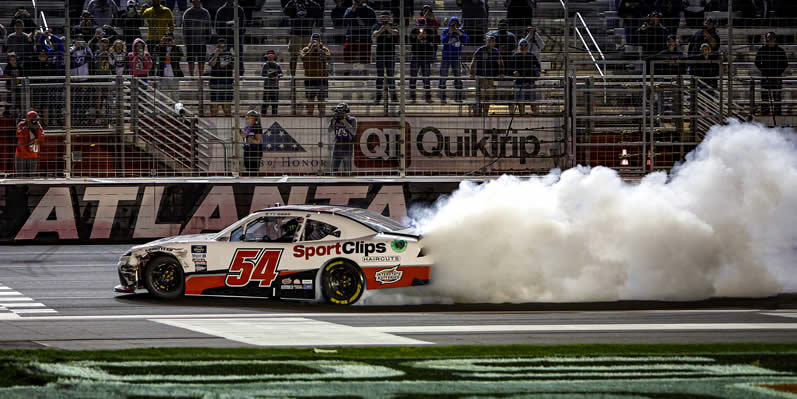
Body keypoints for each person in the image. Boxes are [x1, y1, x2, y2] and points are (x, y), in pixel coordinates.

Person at [343, 0, 377, 100]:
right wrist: (352, 10)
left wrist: (363, 24)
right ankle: (347, 72)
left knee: (365, 58)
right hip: (351, 37)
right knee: (347, 54)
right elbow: (344, 21)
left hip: (364, 38)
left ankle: (365, 74)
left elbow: (373, 24)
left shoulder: (369, 10)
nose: (357, 2)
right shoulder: (349, 9)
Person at [284, 0, 323, 76]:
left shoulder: (311, 3)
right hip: (295, 34)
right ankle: (293, 77)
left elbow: (319, 10)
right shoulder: (292, 2)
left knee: (307, 57)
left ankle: (308, 76)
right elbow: (286, 11)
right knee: (294, 56)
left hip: (307, 33)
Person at [755, 32, 788, 116]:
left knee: (777, 97)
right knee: (765, 97)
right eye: (769, 38)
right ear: (766, 39)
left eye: (772, 38)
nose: (770, 39)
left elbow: (785, 63)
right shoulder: (762, 50)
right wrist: (764, 70)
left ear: (775, 39)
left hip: (777, 77)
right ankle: (765, 113)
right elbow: (757, 62)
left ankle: (777, 113)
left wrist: (778, 71)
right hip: (765, 77)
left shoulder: (780, 50)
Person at [470, 34, 504, 115]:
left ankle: (485, 112)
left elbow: (501, 63)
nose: (490, 43)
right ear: (486, 41)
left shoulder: (496, 51)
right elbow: (474, 61)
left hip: (490, 77)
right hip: (481, 76)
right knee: (481, 95)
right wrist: (471, 73)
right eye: (489, 41)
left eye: (492, 41)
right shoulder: (481, 50)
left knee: (489, 96)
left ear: (494, 43)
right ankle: (478, 110)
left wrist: (501, 73)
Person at [439, 16, 469, 103]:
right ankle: (442, 95)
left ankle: (458, 95)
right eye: (452, 24)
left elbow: (466, 40)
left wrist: (458, 32)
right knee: (443, 76)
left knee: (457, 76)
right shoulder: (445, 31)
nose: (453, 25)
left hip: (456, 57)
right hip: (446, 57)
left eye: (455, 23)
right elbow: (443, 41)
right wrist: (449, 33)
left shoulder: (460, 31)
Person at [372, 10, 399, 103]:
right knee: (380, 75)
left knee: (390, 75)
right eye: (383, 17)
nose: (385, 19)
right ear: (380, 18)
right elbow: (374, 34)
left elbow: (396, 33)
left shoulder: (393, 25)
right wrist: (382, 30)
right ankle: (378, 96)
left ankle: (393, 96)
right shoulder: (377, 25)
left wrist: (389, 29)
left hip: (390, 53)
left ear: (389, 18)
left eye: (386, 17)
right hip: (380, 53)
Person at [301, 33, 331, 116]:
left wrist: (319, 50)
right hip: (309, 78)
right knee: (310, 98)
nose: (315, 41)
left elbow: (328, 57)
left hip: (322, 77)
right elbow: (303, 59)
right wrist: (311, 51)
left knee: (321, 98)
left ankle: (322, 113)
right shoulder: (306, 49)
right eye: (314, 39)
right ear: (311, 40)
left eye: (317, 39)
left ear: (320, 40)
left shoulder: (324, 49)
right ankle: (310, 114)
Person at [27, 48, 58, 126]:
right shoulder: (34, 64)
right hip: (36, 87)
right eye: (41, 54)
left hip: (46, 87)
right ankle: (36, 122)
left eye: (44, 55)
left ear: (47, 56)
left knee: (45, 106)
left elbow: (53, 75)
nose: (42, 56)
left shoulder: (50, 65)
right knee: (36, 105)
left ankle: (46, 122)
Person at [510, 39, 541, 115]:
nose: (523, 48)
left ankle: (535, 115)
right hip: (519, 82)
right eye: (522, 46)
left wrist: (537, 73)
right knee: (520, 102)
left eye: (525, 46)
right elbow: (510, 67)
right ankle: (522, 115)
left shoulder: (531, 56)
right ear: (519, 47)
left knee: (532, 101)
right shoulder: (515, 56)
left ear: (527, 47)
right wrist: (513, 72)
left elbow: (538, 66)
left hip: (530, 81)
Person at [409, 17, 436, 103]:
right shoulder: (413, 31)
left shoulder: (430, 31)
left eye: (423, 25)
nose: (421, 27)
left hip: (426, 57)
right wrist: (419, 37)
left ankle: (428, 95)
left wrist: (425, 36)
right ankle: (412, 95)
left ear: (426, 25)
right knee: (413, 76)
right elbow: (411, 40)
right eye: (419, 25)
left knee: (426, 77)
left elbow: (432, 40)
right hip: (416, 56)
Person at [215, 0, 246, 73]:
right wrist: (222, 38)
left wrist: (239, 35)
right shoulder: (221, 10)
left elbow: (243, 25)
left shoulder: (239, 10)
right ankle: (226, 74)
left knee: (239, 57)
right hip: (226, 39)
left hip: (238, 38)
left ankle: (240, 75)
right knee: (226, 57)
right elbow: (218, 26)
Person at [182, 0, 212, 76]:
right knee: (190, 59)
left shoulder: (205, 12)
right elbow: (184, 27)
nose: (195, 2)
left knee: (201, 59)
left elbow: (208, 25)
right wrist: (185, 39)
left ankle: (201, 76)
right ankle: (191, 75)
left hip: (202, 40)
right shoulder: (187, 12)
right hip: (190, 41)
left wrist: (208, 37)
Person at [70, 35, 94, 126]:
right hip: (73, 78)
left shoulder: (86, 50)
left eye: (81, 40)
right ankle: (74, 118)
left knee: (83, 99)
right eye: (78, 40)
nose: (80, 42)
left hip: (84, 78)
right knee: (74, 99)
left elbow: (91, 57)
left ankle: (82, 118)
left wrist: (87, 47)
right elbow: (66, 56)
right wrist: (75, 47)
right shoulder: (71, 49)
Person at [208, 37, 234, 116]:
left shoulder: (229, 54)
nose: (221, 48)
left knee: (226, 104)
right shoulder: (213, 54)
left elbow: (232, 66)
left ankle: (228, 117)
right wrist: (216, 55)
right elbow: (212, 64)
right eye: (220, 46)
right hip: (215, 82)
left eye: (223, 46)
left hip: (227, 82)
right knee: (214, 103)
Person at [153, 33, 183, 99]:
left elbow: (180, 56)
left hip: (174, 75)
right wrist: (161, 43)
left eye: (170, 39)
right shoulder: (161, 48)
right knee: (163, 96)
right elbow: (155, 53)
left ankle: (175, 109)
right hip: (163, 74)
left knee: (175, 96)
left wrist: (173, 46)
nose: (168, 41)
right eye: (166, 39)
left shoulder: (177, 48)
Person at [328, 102, 356, 174]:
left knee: (347, 169)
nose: (339, 113)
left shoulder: (352, 119)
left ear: (346, 111)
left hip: (347, 145)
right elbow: (329, 130)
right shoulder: (335, 119)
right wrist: (334, 120)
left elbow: (353, 132)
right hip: (337, 145)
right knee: (333, 169)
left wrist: (344, 121)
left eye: (341, 111)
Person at [15, 110, 44, 177]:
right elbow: (19, 135)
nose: (35, 122)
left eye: (36, 120)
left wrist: (37, 129)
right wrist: (27, 128)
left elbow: (41, 139)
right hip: (21, 155)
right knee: (20, 177)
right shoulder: (21, 125)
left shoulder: (38, 126)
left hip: (32, 155)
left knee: (31, 177)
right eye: (33, 120)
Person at [261, 49, 283, 115]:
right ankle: (264, 114)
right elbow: (262, 74)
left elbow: (281, 73)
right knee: (265, 101)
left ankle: (274, 114)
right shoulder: (265, 65)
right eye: (269, 56)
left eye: (271, 56)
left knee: (275, 102)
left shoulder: (277, 65)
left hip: (275, 86)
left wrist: (277, 76)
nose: (270, 57)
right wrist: (269, 76)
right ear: (267, 57)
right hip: (267, 86)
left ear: (273, 57)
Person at [241, 110, 263, 176]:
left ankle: (254, 183)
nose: (247, 118)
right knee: (247, 168)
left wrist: (247, 136)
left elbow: (258, 141)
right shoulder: (247, 127)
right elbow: (244, 138)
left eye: (249, 116)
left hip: (255, 151)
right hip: (247, 150)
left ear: (254, 118)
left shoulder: (257, 127)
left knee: (254, 170)